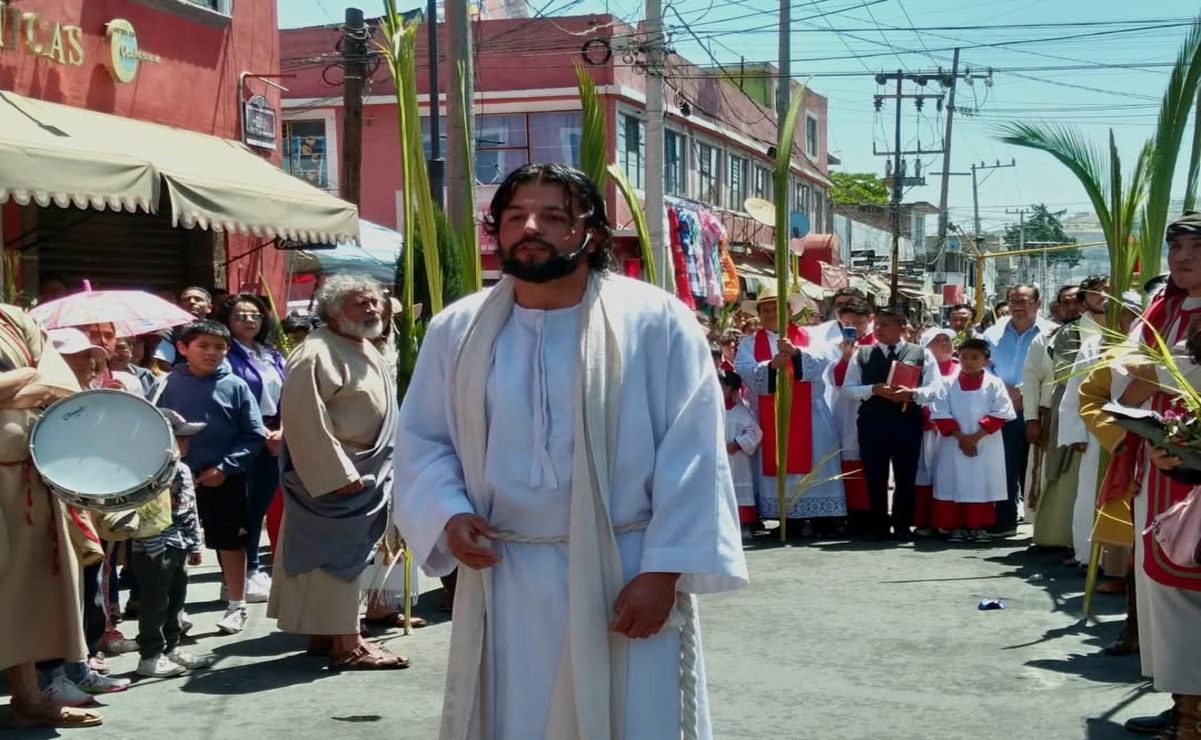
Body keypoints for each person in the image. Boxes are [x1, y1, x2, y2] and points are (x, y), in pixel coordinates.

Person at [394, 163, 747, 739]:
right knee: (513, 719)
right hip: (504, 578)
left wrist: (663, 572)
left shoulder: (656, 322)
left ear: (594, 235)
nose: (530, 227)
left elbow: (694, 453)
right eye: (514, 217)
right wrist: (448, 514)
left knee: (633, 717)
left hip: (623, 572)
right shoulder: (457, 329)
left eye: (553, 216)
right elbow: (425, 440)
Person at [268, 274, 409, 669]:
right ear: (332, 311)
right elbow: (303, 420)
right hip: (339, 477)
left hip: (369, 469)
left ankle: (329, 632)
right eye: (359, 303)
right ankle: (348, 644)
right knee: (336, 559)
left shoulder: (365, 347)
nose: (371, 309)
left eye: (374, 302)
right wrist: (337, 473)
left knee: (350, 557)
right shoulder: (315, 353)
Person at [1114, 212, 1201, 737]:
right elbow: (1124, 378)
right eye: (1177, 248)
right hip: (1160, 462)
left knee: (1188, 584)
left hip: (1194, 471)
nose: (1184, 256)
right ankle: (1183, 702)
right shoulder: (1158, 309)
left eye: (1196, 247)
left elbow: (1153, 374)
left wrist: (1158, 375)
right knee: (1160, 585)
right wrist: (1150, 379)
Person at [0, 304, 103, 728]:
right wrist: (29, 378)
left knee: (29, 587)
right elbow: (42, 381)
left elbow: (61, 383)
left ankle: (28, 696)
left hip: (31, 472)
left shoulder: (13, 318)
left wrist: (13, 387)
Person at [154, 320, 266, 635]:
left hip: (222, 477)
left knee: (231, 542)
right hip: (174, 479)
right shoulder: (166, 384)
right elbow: (151, 425)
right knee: (174, 545)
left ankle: (236, 605)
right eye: (202, 346)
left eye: (219, 347)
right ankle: (176, 609)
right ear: (182, 348)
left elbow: (253, 434)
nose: (211, 353)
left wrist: (225, 468)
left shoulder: (236, 385)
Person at [735, 285, 846, 535]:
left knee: (815, 461)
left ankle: (820, 517)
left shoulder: (810, 336)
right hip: (769, 415)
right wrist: (771, 365)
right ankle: (787, 517)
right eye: (765, 309)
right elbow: (743, 369)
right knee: (779, 465)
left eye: (776, 308)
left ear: (789, 311)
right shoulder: (750, 343)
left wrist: (797, 353)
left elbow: (826, 357)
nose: (771, 313)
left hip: (810, 413)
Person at [842, 308, 940, 541]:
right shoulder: (862, 354)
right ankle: (879, 524)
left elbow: (935, 388)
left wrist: (912, 394)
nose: (879, 329)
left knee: (906, 475)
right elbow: (847, 389)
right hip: (873, 422)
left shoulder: (921, 353)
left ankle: (903, 524)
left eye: (886, 325)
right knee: (875, 474)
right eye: (877, 324)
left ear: (902, 328)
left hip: (907, 421)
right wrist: (872, 389)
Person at [215, 293, 285, 603]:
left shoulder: (270, 354)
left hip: (275, 435)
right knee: (238, 510)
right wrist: (261, 433)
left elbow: (289, 394)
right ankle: (237, 576)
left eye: (254, 315)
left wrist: (281, 430)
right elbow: (230, 400)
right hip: (242, 437)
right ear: (227, 321)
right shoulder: (225, 355)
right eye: (240, 316)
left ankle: (251, 570)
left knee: (259, 507)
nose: (249, 320)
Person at [131, 410, 210, 678]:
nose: (186, 443)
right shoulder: (143, 469)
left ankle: (171, 647)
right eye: (180, 437)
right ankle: (150, 655)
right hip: (154, 547)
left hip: (180, 544)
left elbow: (190, 509)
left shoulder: (182, 468)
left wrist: (195, 544)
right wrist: (149, 543)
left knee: (177, 599)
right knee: (156, 601)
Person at [983, 284, 1056, 537]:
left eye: (1024, 300)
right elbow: (982, 365)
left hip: (1039, 406)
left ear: (1037, 303)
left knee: (1036, 465)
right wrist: (1004, 389)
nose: (1018, 305)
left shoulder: (1051, 333)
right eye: (1013, 300)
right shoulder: (993, 333)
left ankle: (1041, 526)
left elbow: (1054, 369)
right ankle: (1004, 521)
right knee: (1004, 464)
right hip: (1001, 408)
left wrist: (1023, 390)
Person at [930, 338, 1017, 543]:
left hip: (984, 443)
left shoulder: (994, 384)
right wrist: (962, 438)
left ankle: (977, 526)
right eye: (964, 357)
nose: (968, 362)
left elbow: (1002, 412)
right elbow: (940, 412)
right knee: (953, 482)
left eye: (975, 357)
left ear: (986, 360)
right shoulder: (946, 383)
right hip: (953, 443)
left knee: (980, 483)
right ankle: (954, 526)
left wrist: (974, 438)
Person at [1054, 275, 1111, 567]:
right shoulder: (1092, 344)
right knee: (1091, 491)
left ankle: (1121, 562)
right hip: (1098, 431)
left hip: (1140, 433)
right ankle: (1090, 557)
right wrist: (1076, 431)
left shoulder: (1148, 341)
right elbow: (1076, 389)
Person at [830, 297, 877, 528]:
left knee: (869, 457)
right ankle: (848, 510)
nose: (853, 328)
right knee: (846, 453)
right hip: (845, 407)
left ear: (869, 320)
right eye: (847, 323)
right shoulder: (836, 345)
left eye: (858, 323)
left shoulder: (877, 343)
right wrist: (845, 357)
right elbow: (836, 380)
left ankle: (869, 511)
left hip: (871, 405)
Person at [913, 327, 959, 537]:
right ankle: (923, 520)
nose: (944, 344)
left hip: (953, 433)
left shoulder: (962, 368)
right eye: (937, 340)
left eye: (947, 340)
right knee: (923, 474)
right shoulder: (917, 369)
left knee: (949, 474)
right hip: (925, 431)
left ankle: (948, 520)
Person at [721, 369, 762, 541]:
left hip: (736, 460)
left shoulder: (740, 411)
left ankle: (744, 524)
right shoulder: (709, 410)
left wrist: (738, 443)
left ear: (731, 389)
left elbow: (756, 432)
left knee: (739, 492)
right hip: (717, 460)